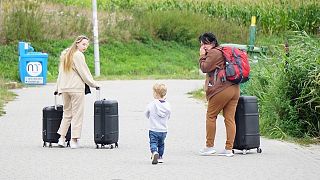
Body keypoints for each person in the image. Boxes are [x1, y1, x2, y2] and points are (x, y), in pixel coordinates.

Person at [198, 32, 240, 157]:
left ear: (213, 43)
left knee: (211, 116)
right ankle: (228, 149)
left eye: (205, 44)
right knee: (230, 119)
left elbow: (204, 68)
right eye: (201, 45)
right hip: (234, 88)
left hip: (222, 89)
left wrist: (201, 56)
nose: (203, 47)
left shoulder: (214, 52)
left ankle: (209, 146)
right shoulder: (222, 51)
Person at [54, 35, 100, 149]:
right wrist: (94, 84)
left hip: (64, 88)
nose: (85, 47)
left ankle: (61, 139)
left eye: (87, 45)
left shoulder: (65, 55)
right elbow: (84, 72)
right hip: (76, 89)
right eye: (83, 44)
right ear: (77, 43)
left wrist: (57, 88)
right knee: (77, 114)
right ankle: (74, 140)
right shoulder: (78, 55)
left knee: (67, 114)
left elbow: (60, 73)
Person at [144, 83, 171, 164]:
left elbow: (146, 113)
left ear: (156, 94)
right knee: (161, 144)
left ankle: (154, 152)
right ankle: (160, 157)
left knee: (153, 142)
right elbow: (169, 116)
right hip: (163, 130)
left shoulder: (152, 104)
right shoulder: (167, 105)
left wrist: (150, 117)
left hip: (153, 129)